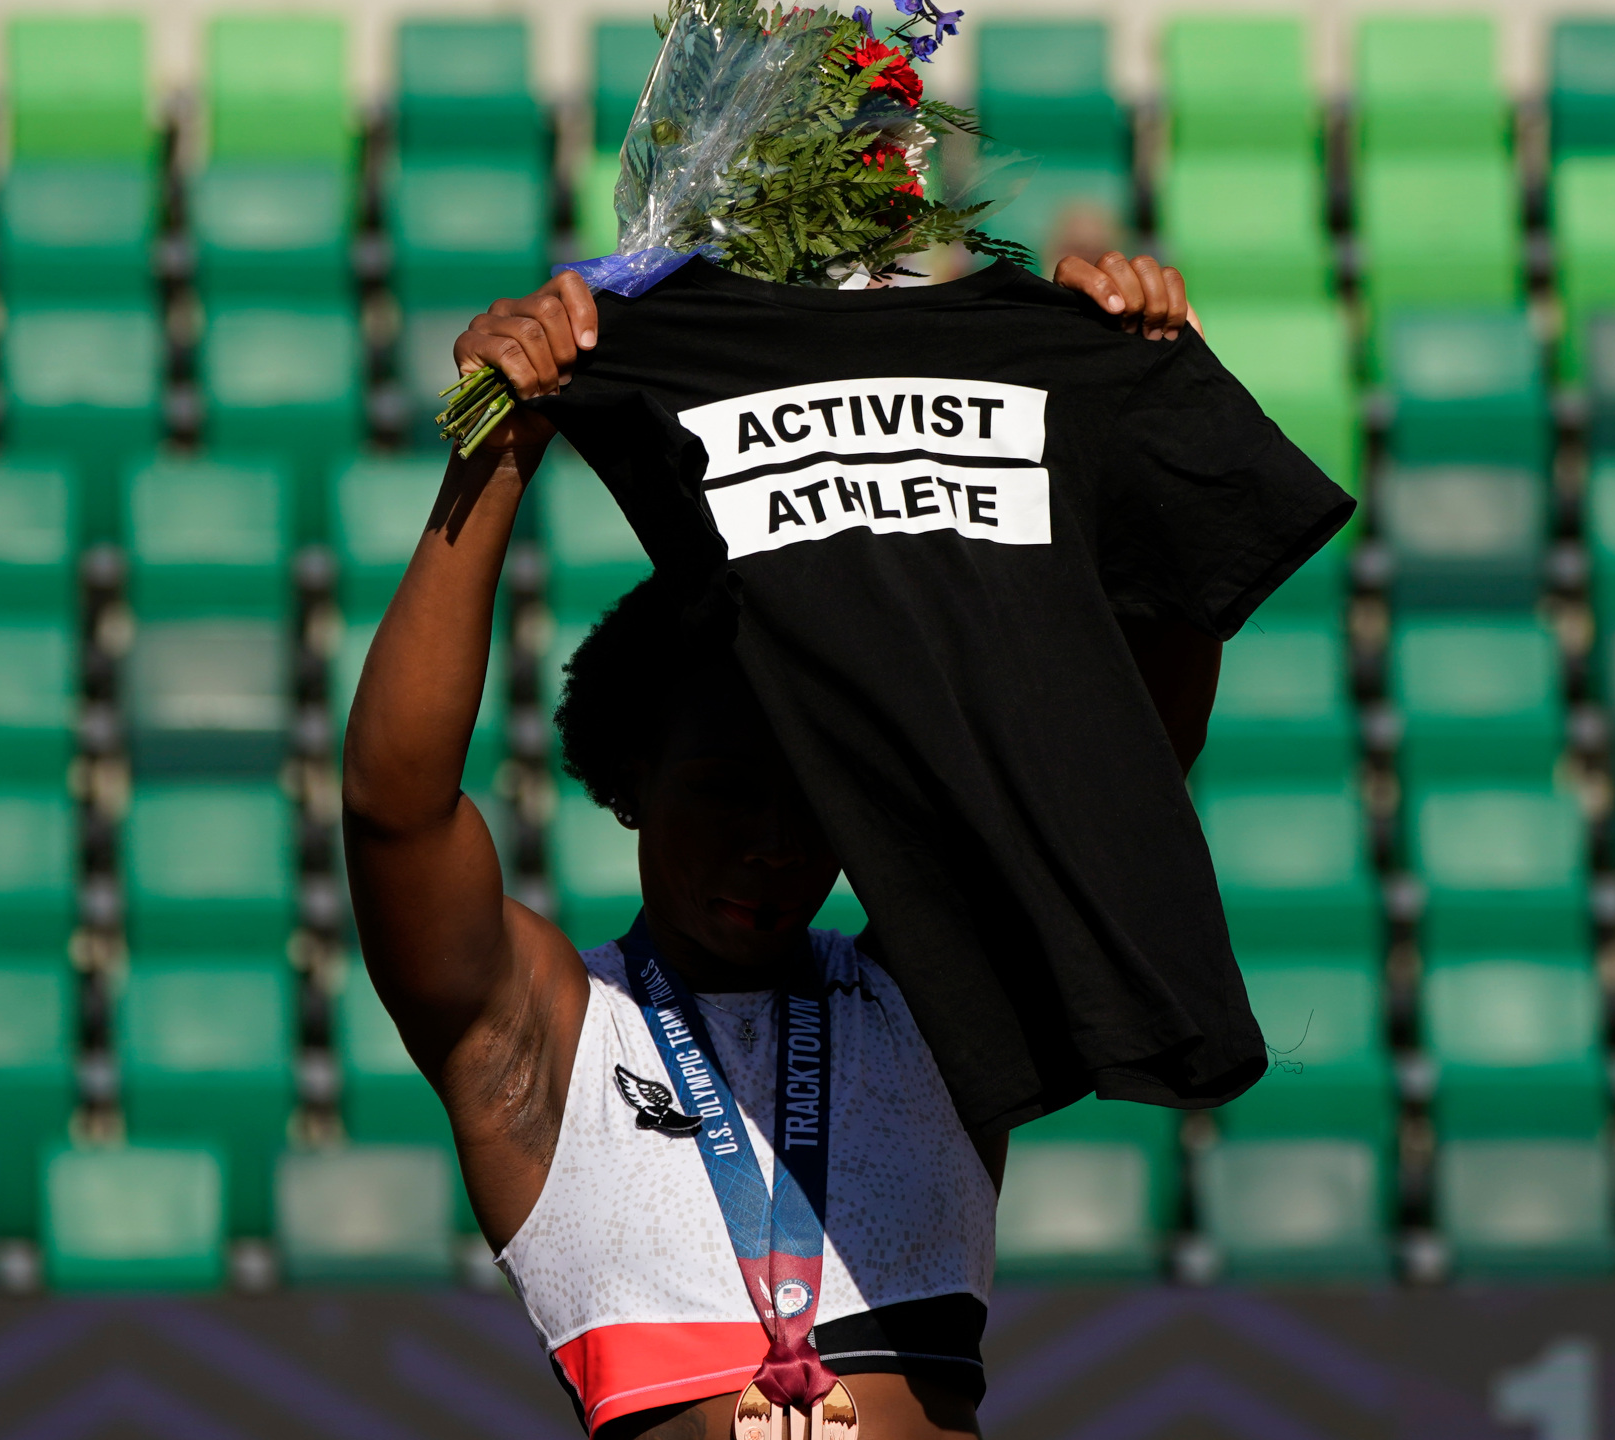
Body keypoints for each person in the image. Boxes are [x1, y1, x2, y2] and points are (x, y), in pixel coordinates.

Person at [343, 253, 1208, 1440]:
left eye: (813, 798)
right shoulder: (542, 1035)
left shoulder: (941, 1001)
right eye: (723, 791)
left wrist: (1138, 401)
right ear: (630, 778)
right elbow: (394, 804)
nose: (769, 843)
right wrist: (501, 452)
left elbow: (1128, 772)